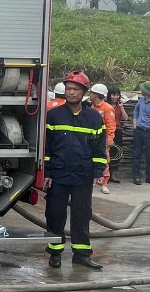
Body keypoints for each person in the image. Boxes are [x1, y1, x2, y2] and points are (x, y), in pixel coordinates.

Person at [44, 71, 107, 269]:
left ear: (84, 92)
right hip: (58, 174)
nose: (71, 93)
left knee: (82, 215)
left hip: (83, 174)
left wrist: (98, 171)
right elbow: (47, 147)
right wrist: (46, 172)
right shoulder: (53, 116)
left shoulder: (94, 118)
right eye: (69, 89)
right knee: (55, 214)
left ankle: (81, 254)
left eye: (76, 89)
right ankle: (55, 253)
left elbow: (99, 147)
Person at [89, 83, 117, 194]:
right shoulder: (92, 107)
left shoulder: (107, 108)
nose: (90, 95)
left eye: (91, 93)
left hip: (103, 139)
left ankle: (104, 183)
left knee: (104, 160)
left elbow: (111, 125)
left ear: (96, 95)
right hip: (92, 138)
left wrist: (109, 140)